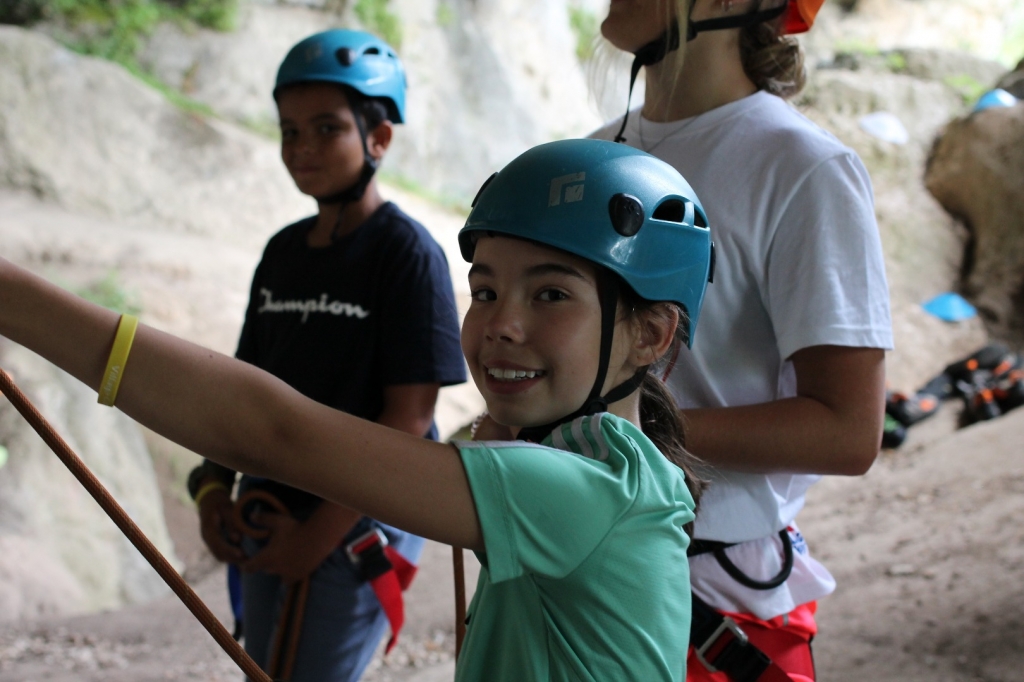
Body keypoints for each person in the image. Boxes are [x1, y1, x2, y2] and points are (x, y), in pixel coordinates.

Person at [0, 138, 713, 681]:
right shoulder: (615, 468)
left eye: (551, 294)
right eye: (487, 290)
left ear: (650, 335)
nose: (501, 323)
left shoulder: (579, 492)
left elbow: (275, 433)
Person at [593, 1, 892, 680]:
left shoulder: (802, 168)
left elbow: (847, 429)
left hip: (708, 594)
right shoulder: (594, 154)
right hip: (581, 560)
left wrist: (622, 434)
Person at [184, 29, 467, 682]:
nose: (302, 149)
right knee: (264, 665)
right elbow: (241, 384)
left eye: (325, 129)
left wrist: (317, 538)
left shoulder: (406, 255)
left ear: (379, 138)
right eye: (288, 132)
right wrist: (210, 488)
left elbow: (406, 419)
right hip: (268, 507)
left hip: (355, 522)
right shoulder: (282, 253)